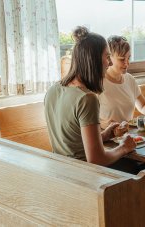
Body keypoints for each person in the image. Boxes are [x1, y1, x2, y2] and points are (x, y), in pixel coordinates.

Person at [44, 26, 136, 167]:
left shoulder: (52, 90)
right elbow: (97, 159)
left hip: (61, 172)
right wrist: (124, 147)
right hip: (86, 176)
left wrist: (104, 135)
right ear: (93, 59)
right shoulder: (87, 98)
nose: (110, 62)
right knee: (142, 168)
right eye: (107, 57)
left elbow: (72, 142)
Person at [98, 35, 145, 128]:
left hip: (128, 135)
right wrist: (107, 125)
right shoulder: (97, 83)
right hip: (107, 137)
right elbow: (90, 121)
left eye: (128, 58)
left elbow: (143, 105)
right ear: (109, 58)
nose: (127, 63)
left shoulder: (129, 79)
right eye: (122, 59)